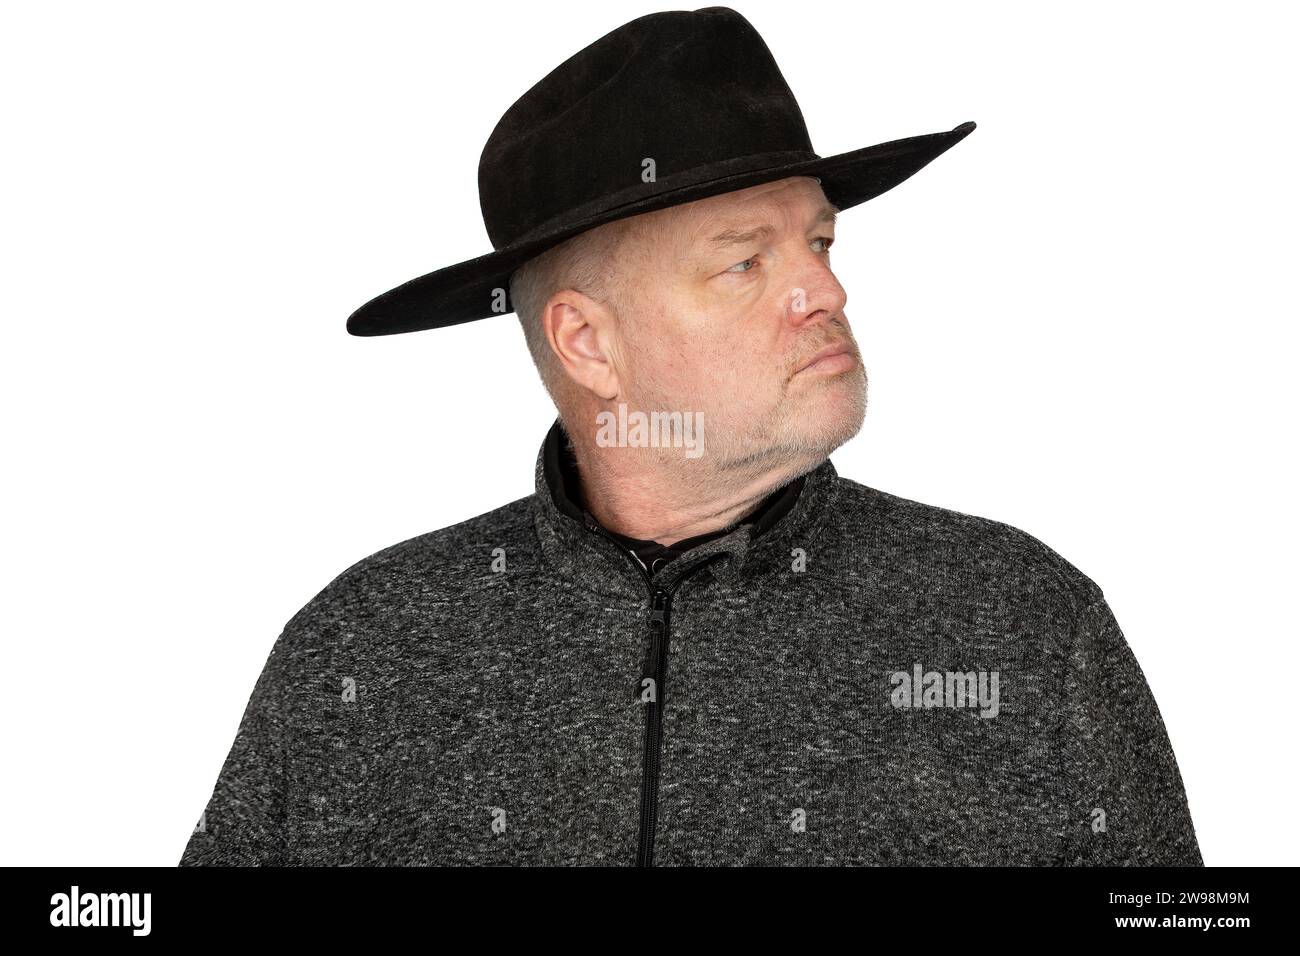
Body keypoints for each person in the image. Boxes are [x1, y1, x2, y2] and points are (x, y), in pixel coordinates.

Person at [180, 7, 1201, 866]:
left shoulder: (1021, 625)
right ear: (586, 340)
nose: (825, 290)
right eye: (743, 263)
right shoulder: (361, 655)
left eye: (818, 240)